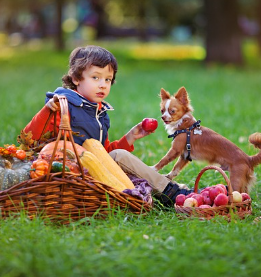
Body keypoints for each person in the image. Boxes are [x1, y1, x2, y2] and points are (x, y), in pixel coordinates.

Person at [23, 45, 192, 206]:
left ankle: (166, 191)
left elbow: (105, 154)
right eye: (95, 77)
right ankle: (169, 192)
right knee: (119, 155)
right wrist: (47, 110)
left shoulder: (100, 113)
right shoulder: (62, 105)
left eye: (108, 79)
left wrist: (130, 137)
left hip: (94, 170)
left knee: (119, 154)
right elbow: (29, 138)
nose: (103, 84)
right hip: (67, 172)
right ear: (75, 78)